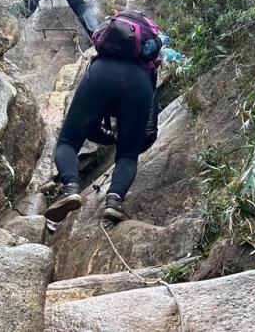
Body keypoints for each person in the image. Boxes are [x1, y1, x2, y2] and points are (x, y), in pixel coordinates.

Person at [43, 12, 182, 224]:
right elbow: (146, 133)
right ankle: (114, 201)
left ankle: (70, 187)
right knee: (127, 155)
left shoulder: (111, 31)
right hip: (139, 84)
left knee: (68, 141)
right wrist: (117, 139)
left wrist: (107, 137)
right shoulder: (156, 44)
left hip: (101, 74)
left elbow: (89, 127)